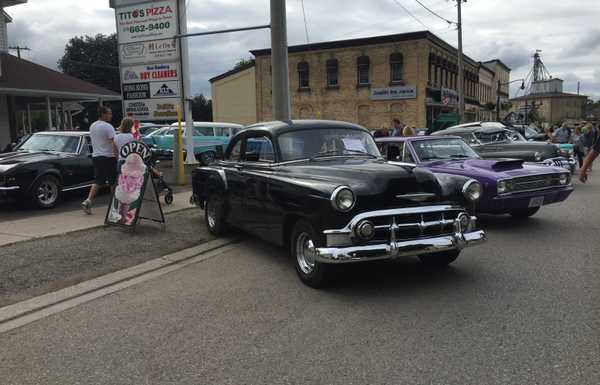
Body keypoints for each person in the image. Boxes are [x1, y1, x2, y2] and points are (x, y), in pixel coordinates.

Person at [81, 106, 117, 214]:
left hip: (96, 156)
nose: (111, 115)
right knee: (113, 181)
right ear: (103, 114)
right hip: (108, 156)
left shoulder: (93, 125)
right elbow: (113, 142)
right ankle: (115, 205)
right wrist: (117, 155)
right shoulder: (108, 126)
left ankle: (88, 201)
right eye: (109, 113)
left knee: (98, 180)